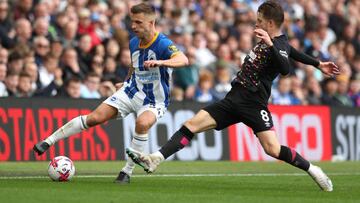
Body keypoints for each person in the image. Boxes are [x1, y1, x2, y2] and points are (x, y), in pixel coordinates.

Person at [126, 1, 339, 192]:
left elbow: (285, 68)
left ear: (271, 24)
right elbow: (294, 52)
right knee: (191, 124)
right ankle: (156, 159)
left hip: (254, 104)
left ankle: (312, 169)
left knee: (272, 149)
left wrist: (271, 43)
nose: (256, 24)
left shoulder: (278, 44)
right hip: (233, 99)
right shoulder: (280, 44)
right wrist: (318, 64)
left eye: (260, 21)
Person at [33, 2, 189, 184]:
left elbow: (183, 59)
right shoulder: (133, 43)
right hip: (130, 91)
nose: (133, 26)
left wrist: (161, 62)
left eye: (138, 22)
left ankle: (126, 172)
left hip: (154, 100)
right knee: (94, 118)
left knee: (142, 123)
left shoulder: (163, 44)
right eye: (132, 22)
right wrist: (126, 81)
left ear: (151, 22)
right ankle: (48, 141)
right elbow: (134, 64)